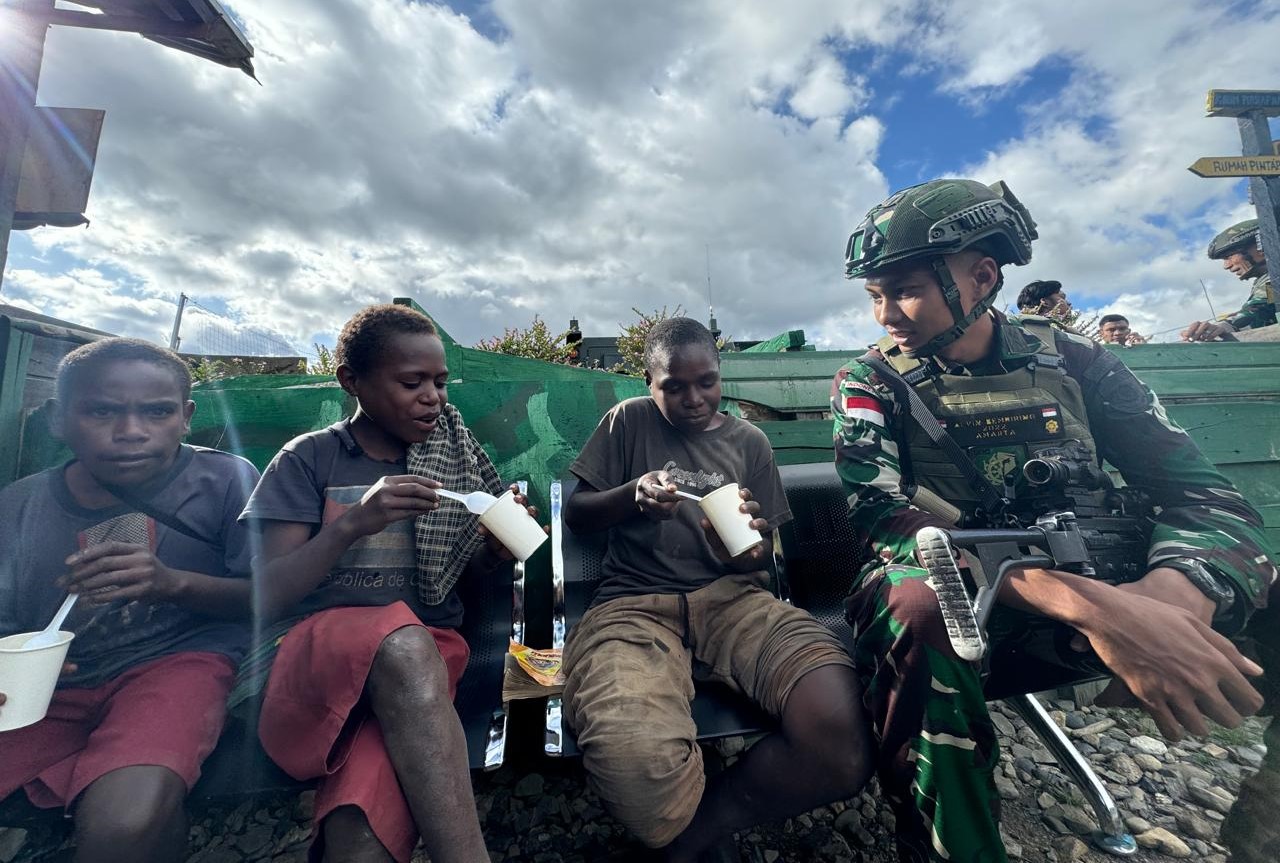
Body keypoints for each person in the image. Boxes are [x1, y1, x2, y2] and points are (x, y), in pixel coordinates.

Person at [834, 178, 1276, 863]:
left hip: (1113, 572)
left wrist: (1167, 602)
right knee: (920, 603)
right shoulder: (868, 382)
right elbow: (883, 515)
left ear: (981, 277)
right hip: (979, 600)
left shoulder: (1078, 360)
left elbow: (1205, 496)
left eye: (906, 289)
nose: (887, 314)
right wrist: (1098, 610)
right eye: (875, 295)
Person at [562, 317, 871, 862]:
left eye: (706, 381)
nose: (693, 398)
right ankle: (680, 824)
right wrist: (632, 493)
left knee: (841, 737)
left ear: (720, 374)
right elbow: (578, 514)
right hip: (632, 606)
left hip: (736, 601)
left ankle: (700, 830)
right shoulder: (628, 423)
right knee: (633, 761)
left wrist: (743, 544)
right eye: (673, 386)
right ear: (649, 383)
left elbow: (760, 557)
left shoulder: (749, 441)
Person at [237, 304, 527, 863]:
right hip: (321, 657)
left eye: (440, 383)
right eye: (411, 382)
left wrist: (491, 551)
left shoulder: (450, 458)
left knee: (359, 842)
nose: (433, 398)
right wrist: (352, 524)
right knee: (403, 641)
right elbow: (267, 595)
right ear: (352, 381)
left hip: (419, 679)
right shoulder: (309, 459)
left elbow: (451, 577)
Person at [0, 338, 259, 863]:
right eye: (101, 411)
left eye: (158, 412)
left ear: (186, 417)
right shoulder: (19, 505)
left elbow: (272, 597)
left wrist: (171, 583)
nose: (131, 432)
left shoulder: (226, 480)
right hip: (52, 688)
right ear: (58, 419)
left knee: (124, 821)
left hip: (179, 663)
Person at [1182, 218, 1274, 342]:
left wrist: (1228, 325)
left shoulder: (1273, 279)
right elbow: (1270, 303)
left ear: (1260, 246)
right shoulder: (1269, 279)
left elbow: (1261, 308)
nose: (1226, 266)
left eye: (1229, 256)